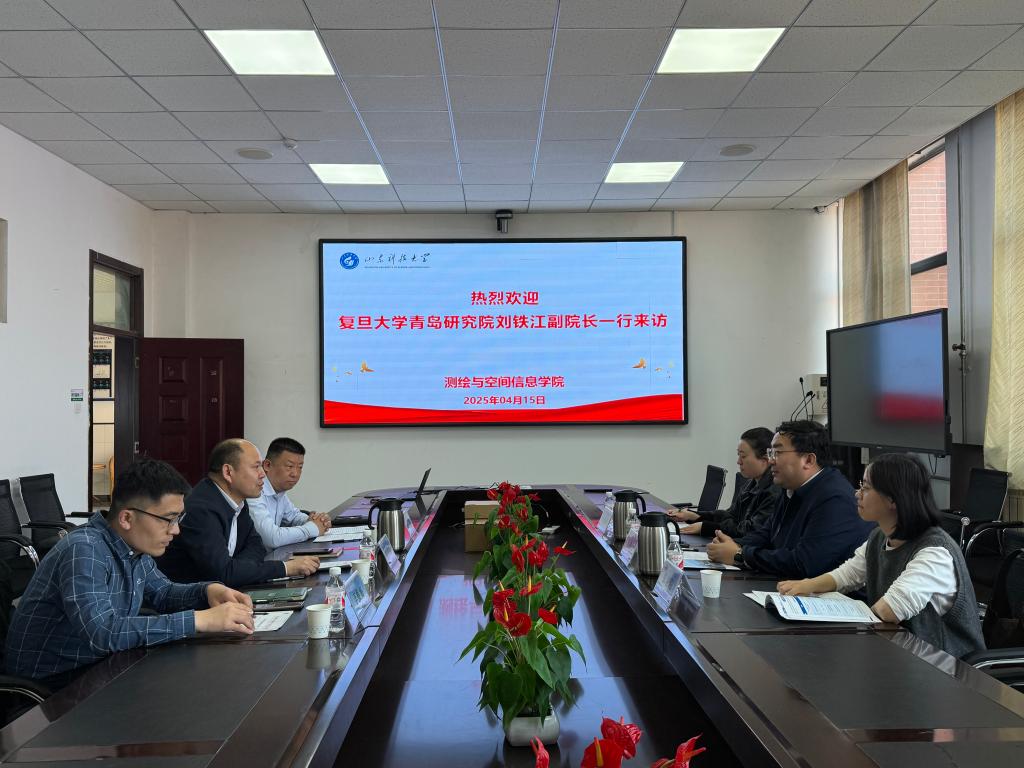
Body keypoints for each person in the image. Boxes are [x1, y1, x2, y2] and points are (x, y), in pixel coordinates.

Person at [5, 459, 256, 688]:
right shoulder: (84, 550)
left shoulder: (133, 547)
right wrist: (199, 620)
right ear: (126, 518)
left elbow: (163, 593)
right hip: (53, 683)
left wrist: (208, 590)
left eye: (178, 518)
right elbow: (103, 633)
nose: (175, 530)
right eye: (168, 519)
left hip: (100, 665)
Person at [778, 453, 985, 658]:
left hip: (947, 666)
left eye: (866, 488)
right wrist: (805, 586)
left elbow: (889, 611)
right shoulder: (880, 536)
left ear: (893, 499)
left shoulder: (935, 552)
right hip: (901, 655)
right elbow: (848, 575)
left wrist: (830, 612)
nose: (857, 494)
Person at [707, 420, 873, 578]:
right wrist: (733, 545)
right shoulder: (791, 488)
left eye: (777, 453)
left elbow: (804, 563)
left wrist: (740, 555)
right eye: (771, 453)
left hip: (834, 595)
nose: (770, 460)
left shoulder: (834, 499)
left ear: (808, 460)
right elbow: (767, 534)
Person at [157, 439, 319, 588]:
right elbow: (224, 574)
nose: (263, 474)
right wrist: (285, 568)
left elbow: (256, 546)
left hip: (228, 591)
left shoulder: (238, 500)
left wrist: (237, 569)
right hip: (190, 602)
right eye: (256, 467)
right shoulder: (202, 509)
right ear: (228, 472)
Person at [669, 427, 781, 538]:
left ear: (765, 459)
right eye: (738, 455)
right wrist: (695, 516)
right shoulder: (751, 484)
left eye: (743, 456)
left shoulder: (774, 492)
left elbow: (750, 531)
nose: (738, 461)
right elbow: (730, 515)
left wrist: (706, 527)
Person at [248, 437, 332, 549]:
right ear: (267, 465)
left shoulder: (279, 491)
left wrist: (313, 520)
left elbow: (292, 516)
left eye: (300, 467)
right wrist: (313, 528)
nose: (295, 474)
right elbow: (272, 538)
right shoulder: (253, 491)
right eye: (289, 466)